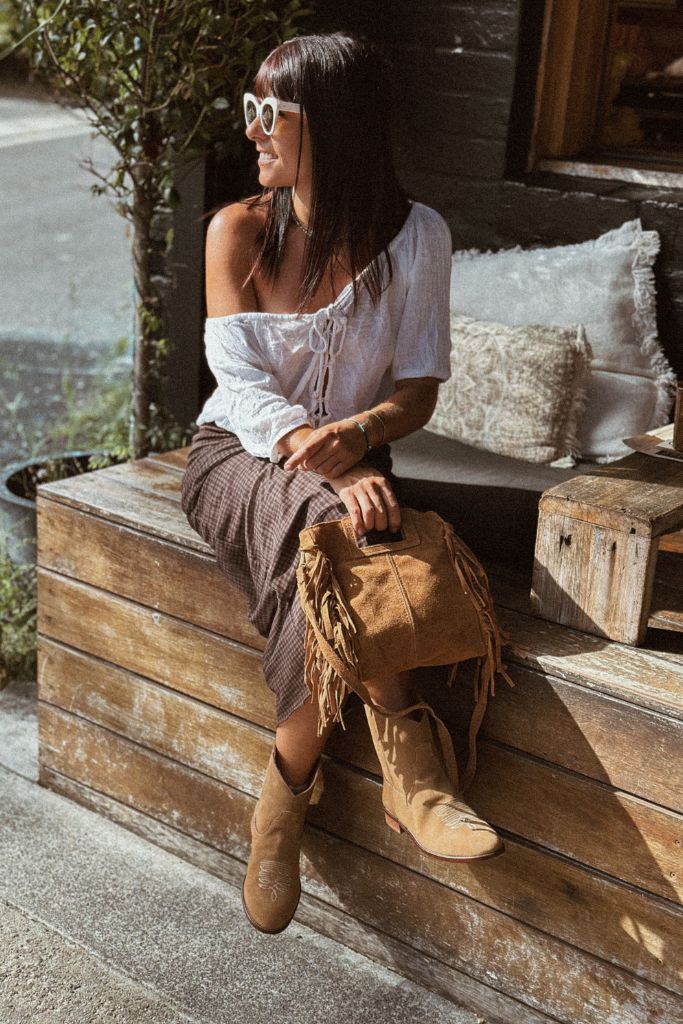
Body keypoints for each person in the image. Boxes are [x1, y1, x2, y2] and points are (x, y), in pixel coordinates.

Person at [180, 32, 503, 936]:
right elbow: (240, 390)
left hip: (354, 462)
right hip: (237, 456)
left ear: (332, 125)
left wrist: (358, 436)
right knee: (337, 530)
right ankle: (412, 761)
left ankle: (280, 802)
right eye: (248, 111)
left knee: (333, 542)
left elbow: (416, 390)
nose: (249, 131)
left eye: (266, 113)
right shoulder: (235, 229)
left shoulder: (419, 236)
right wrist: (332, 457)